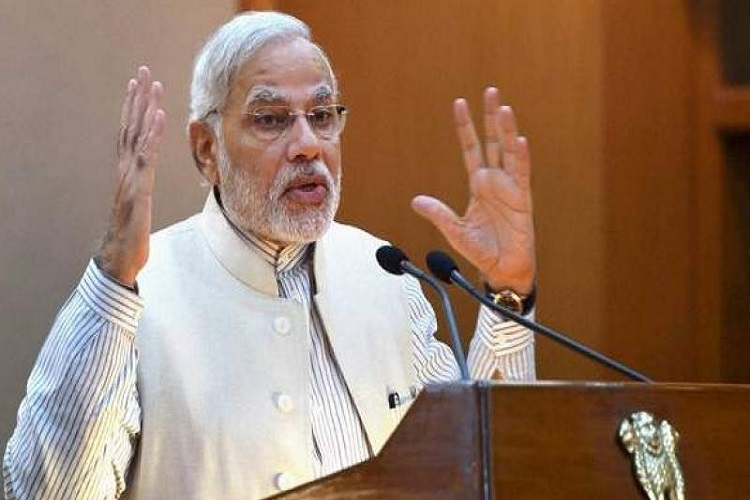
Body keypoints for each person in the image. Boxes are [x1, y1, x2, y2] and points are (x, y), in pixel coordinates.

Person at [3, 10, 536, 500]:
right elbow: (46, 493)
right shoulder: (138, 293)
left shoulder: (385, 273)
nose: (308, 144)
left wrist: (508, 291)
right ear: (207, 149)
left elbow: (477, 468)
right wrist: (114, 275)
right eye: (271, 119)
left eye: (322, 115)